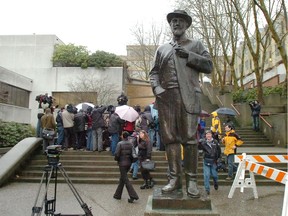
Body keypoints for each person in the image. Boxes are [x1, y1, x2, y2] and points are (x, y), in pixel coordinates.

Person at [149, 10, 213, 197]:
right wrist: (157, 88)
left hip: (189, 98)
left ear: (186, 25)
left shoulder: (196, 44)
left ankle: (191, 180)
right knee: (170, 139)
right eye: (173, 21)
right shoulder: (162, 49)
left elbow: (209, 66)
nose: (176, 24)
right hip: (166, 99)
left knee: (190, 139)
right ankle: (174, 179)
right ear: (170, 25)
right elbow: (153, 72)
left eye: (180, 21)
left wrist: (189, 55)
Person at [113, 131, 139, 203]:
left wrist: (117, 159)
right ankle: (117, 195)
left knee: (125, 180)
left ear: (122, 136)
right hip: (129, 163)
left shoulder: (120, 144)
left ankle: (133, 195)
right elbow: (133, 153)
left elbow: (117, 154)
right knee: (122, 179)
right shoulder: (131, 143)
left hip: (122, 163)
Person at [198, 130, 221, 196]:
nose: (208, 135)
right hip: (206, 161)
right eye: (207, 134)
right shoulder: (203, 142)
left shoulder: (215, 142)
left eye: (209, 134)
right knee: (206, 175)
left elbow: (219, 151)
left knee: (214, 175)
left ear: (211, 135)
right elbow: (198, 147)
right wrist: (199, 143)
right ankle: (207, 189)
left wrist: (219, 158)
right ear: (205, 135)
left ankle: (215, 182)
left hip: (214, 161)